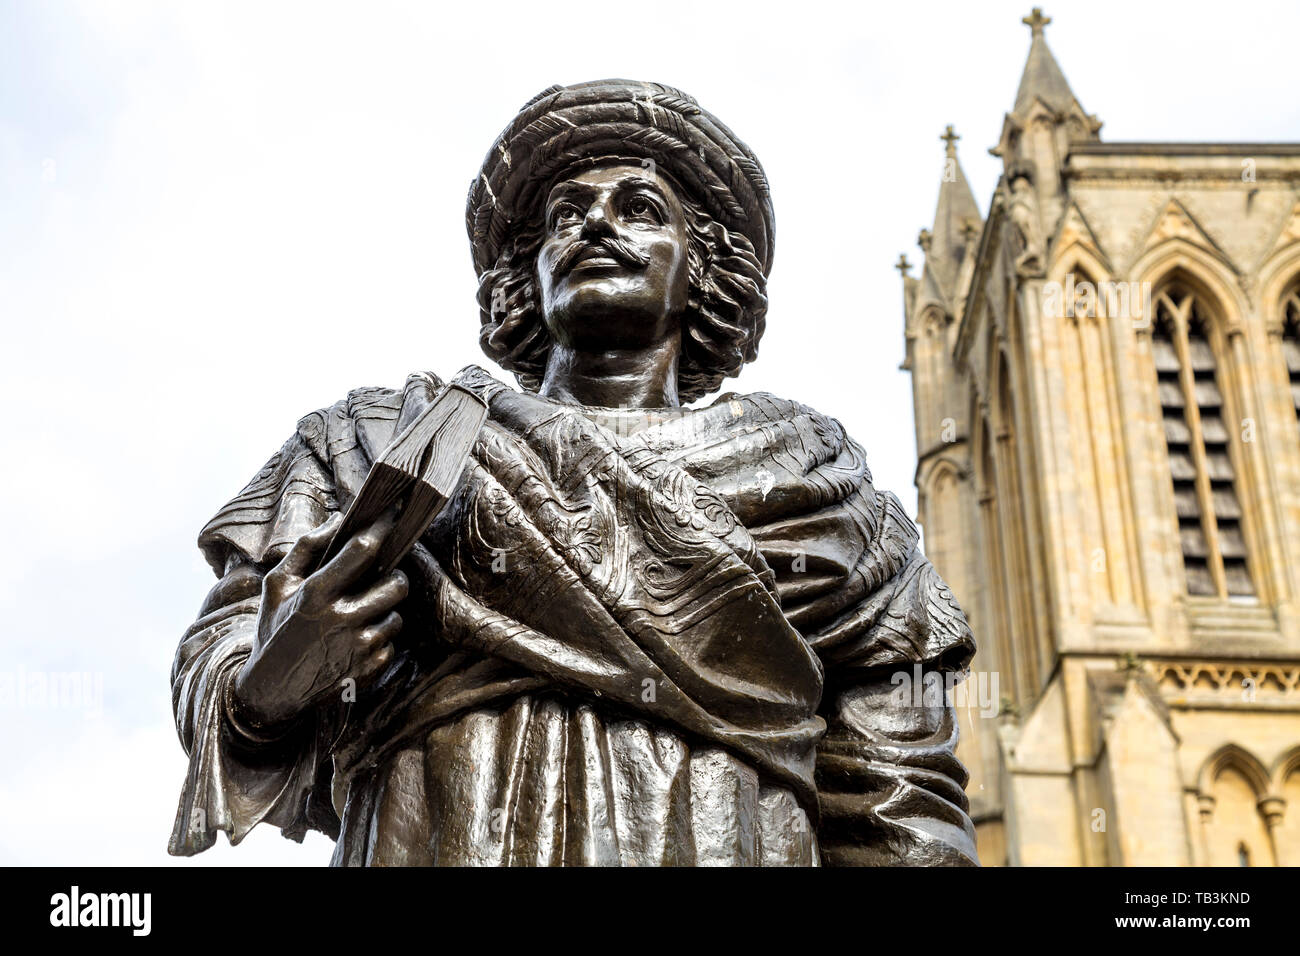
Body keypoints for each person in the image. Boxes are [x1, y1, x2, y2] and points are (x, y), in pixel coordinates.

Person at [169, 79, 978, 866]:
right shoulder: (382, 437)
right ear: (527, 275)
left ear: (703, 268)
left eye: (640, 208)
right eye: (565, 214)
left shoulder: (819, 488)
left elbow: (898, 802)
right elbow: (225, 645)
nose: (594, 222)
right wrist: (268, 683)